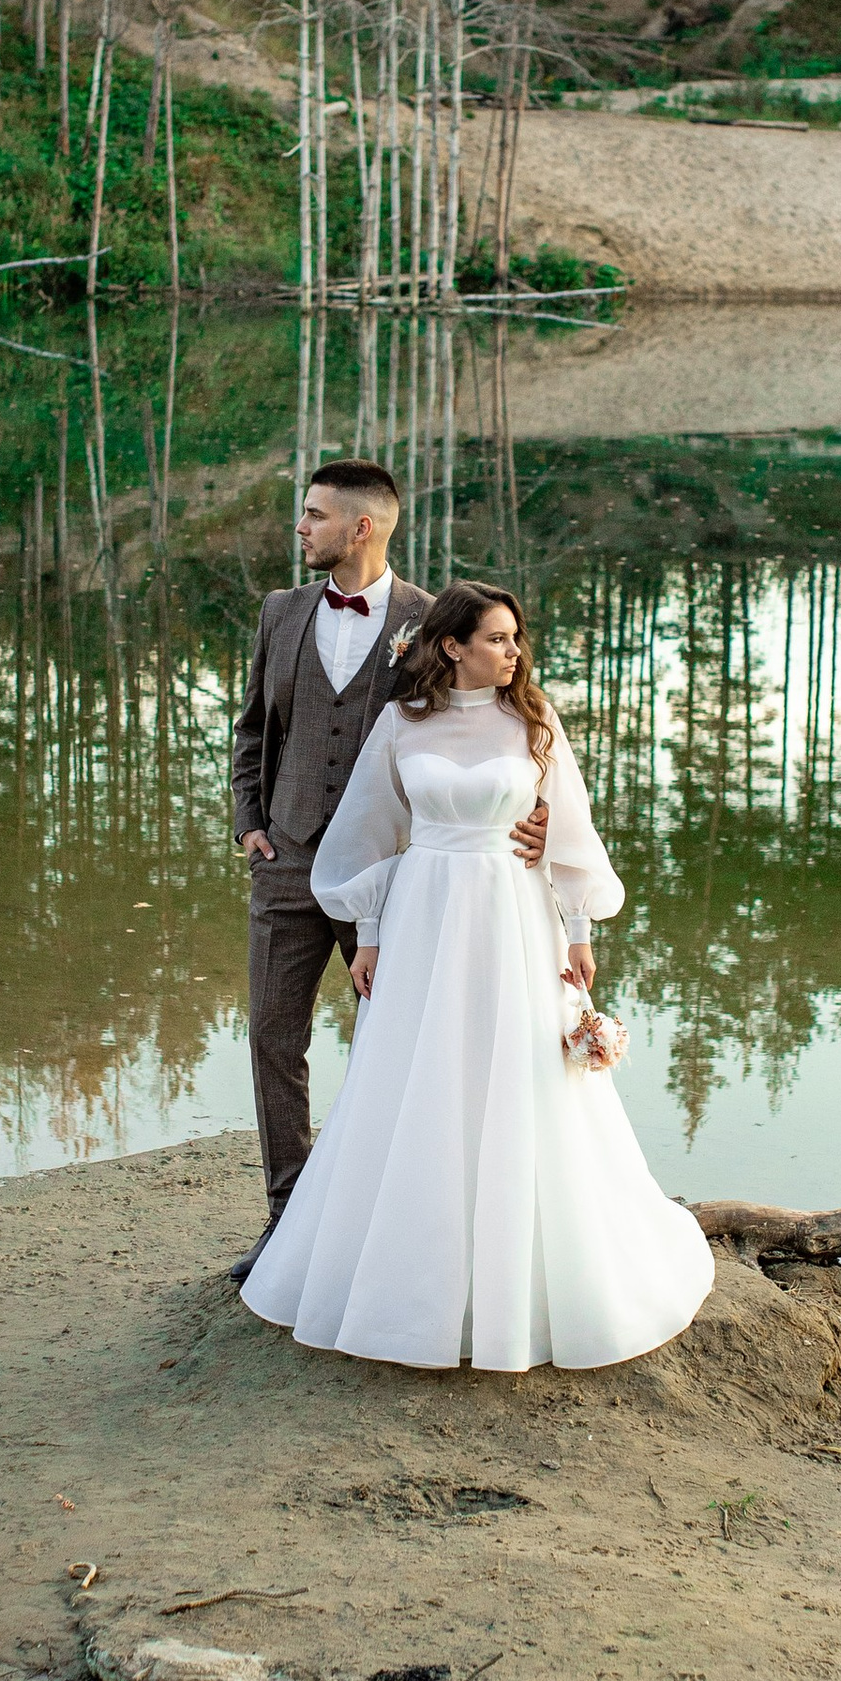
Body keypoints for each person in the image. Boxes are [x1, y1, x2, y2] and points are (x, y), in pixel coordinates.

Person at [239, 580, 714, 1371]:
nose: (513, 652)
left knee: (519, 1074)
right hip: (424, 913)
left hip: (513, 915)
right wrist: (367, 933)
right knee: (419, 1075)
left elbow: (572, 824)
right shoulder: (402, 721)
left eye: (516, 638)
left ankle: (523, 1276)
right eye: (497, 639)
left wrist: (579, 928)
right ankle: (406, 1278)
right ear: (452, 646)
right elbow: (369, 831)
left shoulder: (533, 720)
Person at [235, 463, 546, 1281]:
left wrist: (534, 809)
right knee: (273, 1036)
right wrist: (250, 823)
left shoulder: (436, 619)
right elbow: (253, 729)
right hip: (287, 860)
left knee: (405, 1040)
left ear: (361, 526)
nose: (302, 528)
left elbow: (497, 723)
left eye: (314, 515)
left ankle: (398, 1222)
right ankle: (287, 1219)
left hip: (403, 875)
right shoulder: (280, 612)